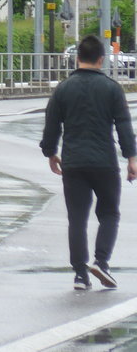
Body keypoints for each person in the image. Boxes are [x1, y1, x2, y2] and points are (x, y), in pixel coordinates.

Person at [40, 34, 137, 291]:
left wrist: (50, 153)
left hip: (73, 164)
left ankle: (80, 275)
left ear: (78, 58)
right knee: (109, 214)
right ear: (101, 59)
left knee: (77, 219)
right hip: (105, 163)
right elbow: (124, 126)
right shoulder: (112, 89)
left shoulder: (63, 89)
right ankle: (101, 262)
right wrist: (132, 158)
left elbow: (51, 125)